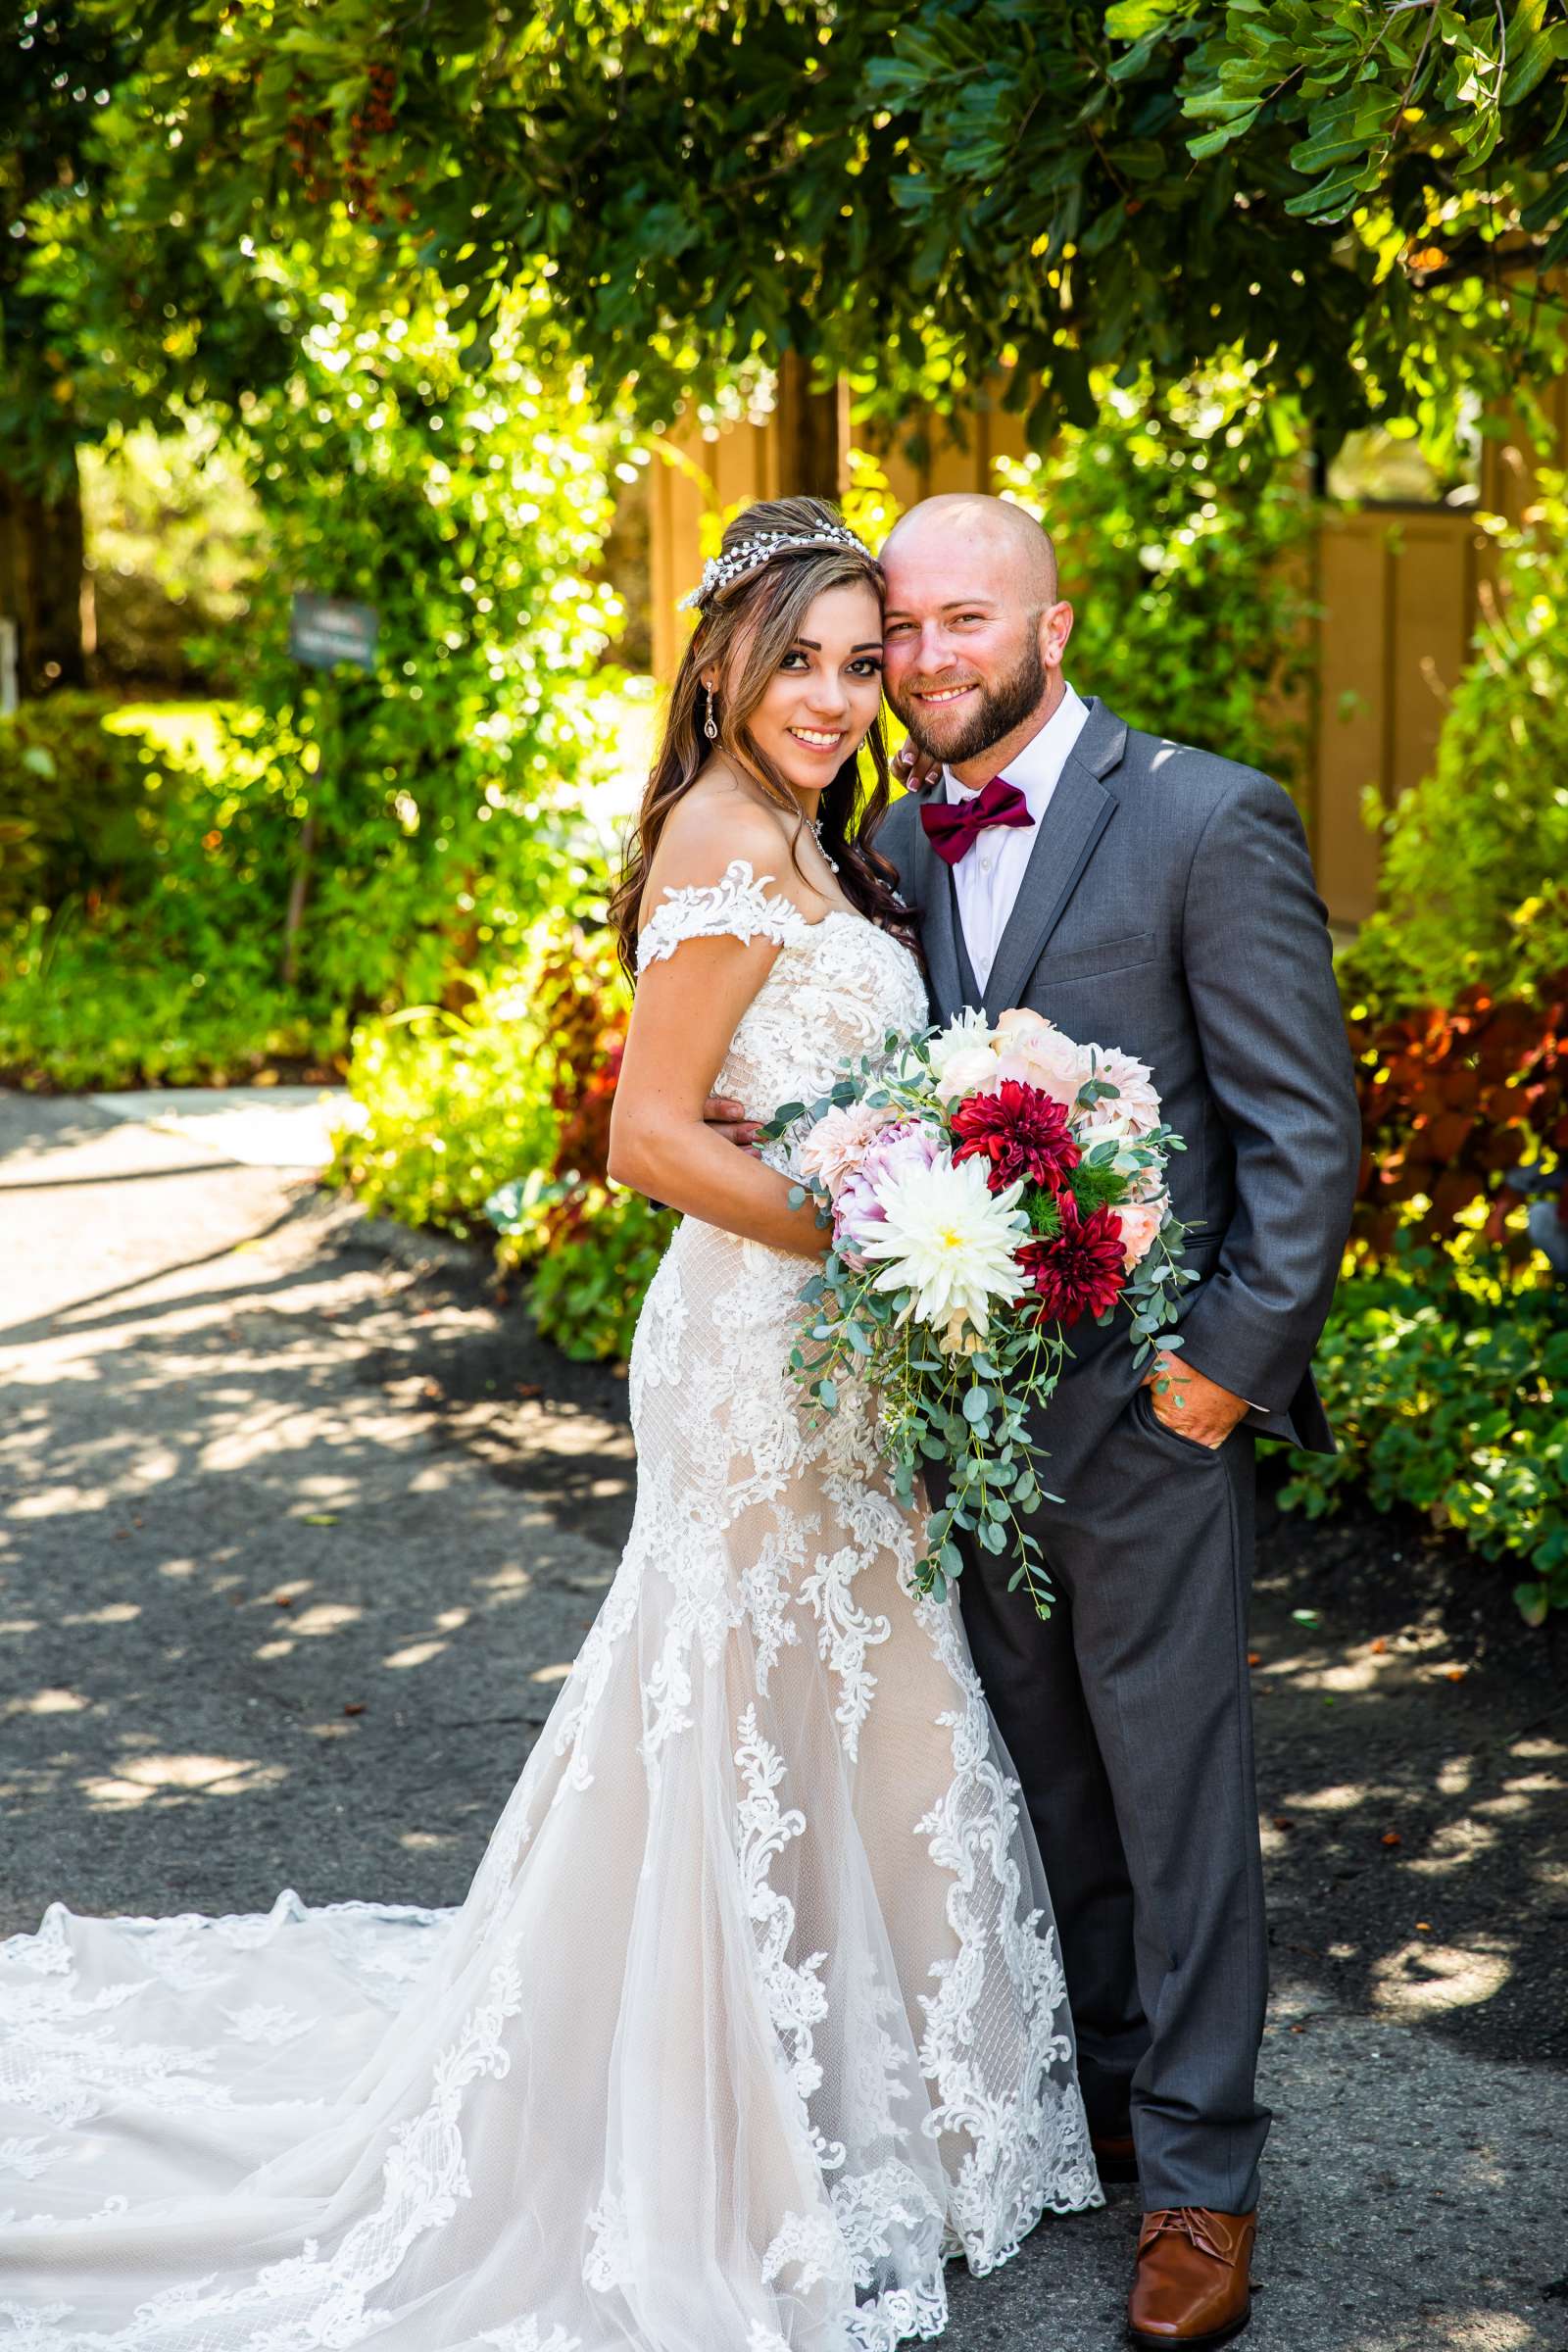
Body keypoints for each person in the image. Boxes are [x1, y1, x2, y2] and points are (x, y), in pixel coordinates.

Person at [0, 497, 1099, 2351]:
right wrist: (890, 1232)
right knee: (742, 1709)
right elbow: (649, 1140)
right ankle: (711, 2123)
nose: (835, 699)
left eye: (858, 664)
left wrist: (916, 1193)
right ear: (725, 667)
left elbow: (807, 1093)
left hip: (833, 1346)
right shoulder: (722, 837)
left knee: (859, 1699)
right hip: (758, 1349)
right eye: (801, 663)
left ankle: (873, 2109)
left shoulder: (828, 842)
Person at [728, 490, 1358, 2349]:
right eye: (899, 629)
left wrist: (1211, 1386)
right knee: (1031, 1793)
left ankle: (1203, 2186)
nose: (925, 659)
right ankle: (1086, 2109)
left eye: (963, 623)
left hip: (1149, 1425)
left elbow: (1298, 1137)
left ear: (1053, 627)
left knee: (1177, 1805)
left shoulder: (1199, 814)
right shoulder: (890, 844)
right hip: (953, 1420)